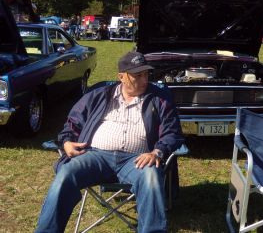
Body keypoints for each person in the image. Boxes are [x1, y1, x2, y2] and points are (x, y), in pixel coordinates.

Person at [36, 51, 185, 233]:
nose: (144, 80)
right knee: (66, 174)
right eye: (137, 75)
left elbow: (172, 133)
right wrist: (66, 142)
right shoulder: (98, 95)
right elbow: (73, 122)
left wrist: (157, 152)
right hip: (96, 156)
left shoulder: (159, 99)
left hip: (137, 160)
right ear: (121, 77)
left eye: (146, 74)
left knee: (152, 177)